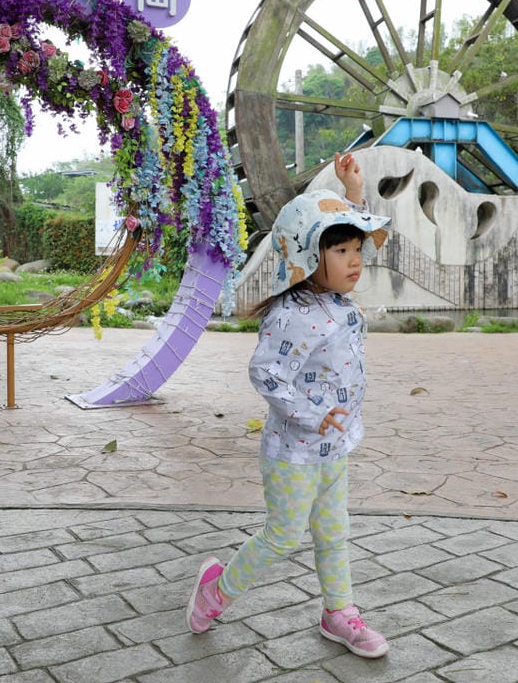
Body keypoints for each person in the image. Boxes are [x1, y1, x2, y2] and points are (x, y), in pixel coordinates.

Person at [185, 152, 392, 658]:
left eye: (356, 248)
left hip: (332, 446)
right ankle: (216, 590)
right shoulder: (292, 315)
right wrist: (309, 413)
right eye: (341, 251)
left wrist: (353, 193)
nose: (355, 260)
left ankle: (338, 613)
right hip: (294, 451)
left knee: (333, 532)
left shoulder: (336, 301)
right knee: (282, 536)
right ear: (306, 258)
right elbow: (266, 372)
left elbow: (331, 230)